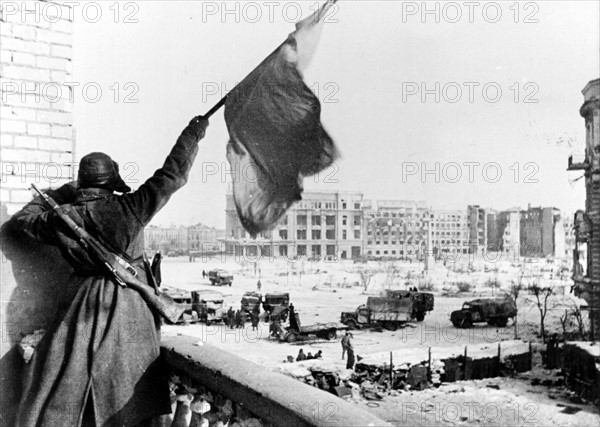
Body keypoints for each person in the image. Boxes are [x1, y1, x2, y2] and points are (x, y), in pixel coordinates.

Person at [11, 115, 210, 426]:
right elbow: (173, 174)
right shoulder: (131, 207)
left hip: (79, 307)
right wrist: (192, 133)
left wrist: (65, 193)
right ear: (111, 183)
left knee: (66, 384)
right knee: (131, 391)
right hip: (129, 306)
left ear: (83, 184)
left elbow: (25, 219)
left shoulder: (61, 217)